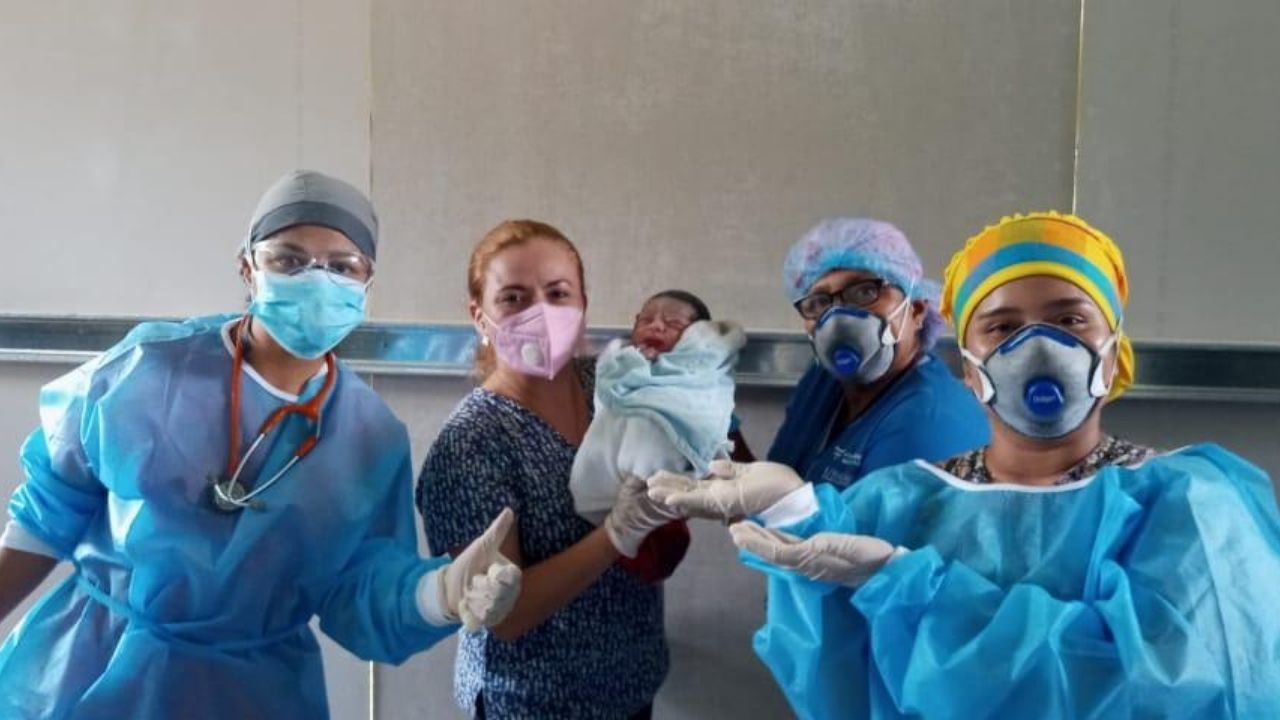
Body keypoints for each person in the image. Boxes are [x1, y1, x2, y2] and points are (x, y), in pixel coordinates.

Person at [649, 212, 1280, 719]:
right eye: (1001, 327)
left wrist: (916, 589)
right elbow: (832, 685)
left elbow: (1185, 691)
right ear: (967, 367)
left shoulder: (1191, 506)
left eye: (1069, 319)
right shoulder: (895, 503)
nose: (1036, 347)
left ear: (1113, 352)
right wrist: (796, 512)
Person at [0, 171, 522, 719]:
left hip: (253, 693)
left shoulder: (370, 438)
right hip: (95, 673)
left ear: (367, 282)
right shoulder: (147, 372)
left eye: (342, 267)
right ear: (248, 268)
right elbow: (44, 518)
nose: (316, 280)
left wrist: (440, 594)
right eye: (289, 260)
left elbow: (357, 591)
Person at [416, 220, 681, 719]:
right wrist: (615, 535)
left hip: (631, 685)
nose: (540, 312)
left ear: (583, 303)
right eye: (513, 298)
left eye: (558, 293)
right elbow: (504, 617)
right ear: (480, 317)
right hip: (530, 704)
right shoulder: (471, 442)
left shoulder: (610, 386)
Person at [755, 217, 989, 487]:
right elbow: (776, 474)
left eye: (865, 291)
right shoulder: (824, 381)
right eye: (819, 301)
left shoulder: (931, 422)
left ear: (916, 311)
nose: (838, 319)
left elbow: (859, 528)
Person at [568, 290, 743, 583]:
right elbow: (606, 401)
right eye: (646, 319)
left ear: (698, 337)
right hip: (608, 488)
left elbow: (724, 441)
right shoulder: (615, 365)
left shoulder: (703, 381)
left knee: (664, 545)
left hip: (664, 488)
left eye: (673, 323)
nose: (656, 326)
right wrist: (634, 368)